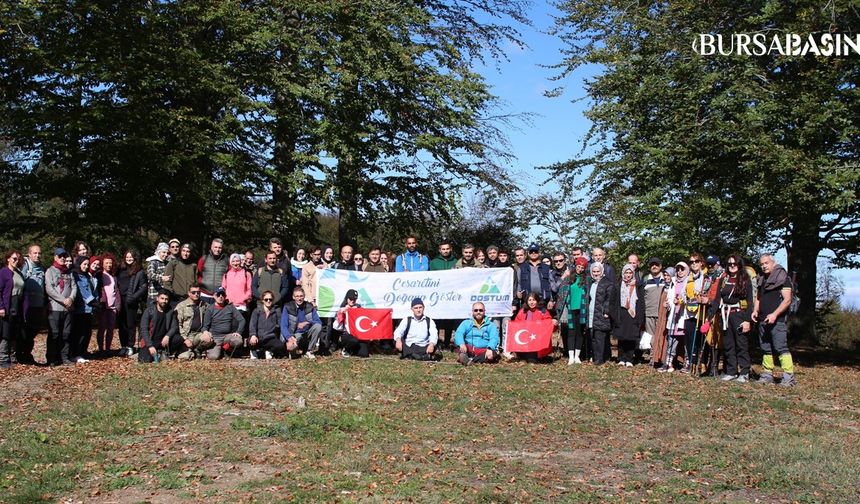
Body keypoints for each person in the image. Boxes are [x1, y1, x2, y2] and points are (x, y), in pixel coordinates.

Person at [752, 254, 796, 386]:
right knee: (766, 348)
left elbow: (787, 300)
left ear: (773, 262)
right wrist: (755, 310)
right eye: (762, 264)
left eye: (766, 263)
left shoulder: (783, 278)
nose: (764, 266)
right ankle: (767, 374)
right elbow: (758, 297)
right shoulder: (762, 279)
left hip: (778, 320)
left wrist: (775, 314)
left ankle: (789, 377)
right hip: (763, 319)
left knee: (780, 347)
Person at [709, 255, 753, 382]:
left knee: (741, 344)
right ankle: (731, 371)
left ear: (739, 265)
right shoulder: (724, 279)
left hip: (739, 314)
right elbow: (717, 299)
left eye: (734, 264)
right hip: (725, 315)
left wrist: (747, 320)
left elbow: (750, 301)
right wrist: (710, 316)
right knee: (728, 344)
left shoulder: (745, 280)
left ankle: (744, 372)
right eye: (729, 264)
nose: (732, 266)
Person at [45, 248, 76, 366]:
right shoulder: (50, 271)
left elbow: (74, 287)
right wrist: (63, 300)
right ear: (55, 258)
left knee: (66, 333)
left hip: (68, 308)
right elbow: (50, 289)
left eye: (64, 256)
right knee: (55, 333)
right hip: (55, 308)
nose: (62, 258)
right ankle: (52, 358)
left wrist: (71, 299)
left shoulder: (69, 272)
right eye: (60, 256)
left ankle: (64, 357)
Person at [116, 249, 147, 357]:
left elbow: (143, 287)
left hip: (131, 301)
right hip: (120, 300)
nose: (129, 259)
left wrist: (134, 297)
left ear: (135, 258)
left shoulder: (139, 271)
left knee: (130, 325)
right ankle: (123, 346)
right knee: (121, 325)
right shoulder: (120, 269)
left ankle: (130, 346)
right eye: (127, 257)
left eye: (131, 257)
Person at [512, 292, 558, 363]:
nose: (531, 302)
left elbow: (550, 328)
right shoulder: (522, 311)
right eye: (529, 300)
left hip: (538, 342)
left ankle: (539, 357)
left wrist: (553, 324)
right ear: (527, 301)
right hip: (525, 341)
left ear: (537, 301)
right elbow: (516, 325)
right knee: (525, 358)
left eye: (533, 300)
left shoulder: (543, 311)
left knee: (532, 360)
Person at [558, 256, 589, 364]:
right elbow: (561, 291)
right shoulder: (569, 278)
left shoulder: (586, 279)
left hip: (582, 309)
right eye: (578, 266)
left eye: (582, 268)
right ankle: (571, 356)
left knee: (580, 333)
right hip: (570, 308)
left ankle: (577, 356)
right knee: (571, 332)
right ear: (575, 266)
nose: (580, 269)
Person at [19, 244, 45, 365]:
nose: (37, 255)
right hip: (27, 306)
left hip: (38, 305)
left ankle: (27, 354)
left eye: (39, 253)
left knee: (34, 330)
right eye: (35, 253)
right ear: (29, 254)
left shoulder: (42, 268)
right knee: (25, 331)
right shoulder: (25, 265)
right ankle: (22, 355)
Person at [202, 286, 245, 360]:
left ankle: (225, 348)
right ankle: (213, 349)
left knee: (238, 341)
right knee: (214, 357)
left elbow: (242, 320)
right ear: (214, 296)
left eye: (223, 295)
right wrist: (205, 333)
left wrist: (238, 332)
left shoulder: (230, 307)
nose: (221, 297)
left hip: (227, 336)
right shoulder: (210, 309)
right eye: (218, 295)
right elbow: (205, 326)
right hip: (215, 337)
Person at [138, 289, 181, 363]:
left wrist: (167, 336)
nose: (164, 301)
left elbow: (174, 327)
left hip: (164, 340)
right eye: (162, 298)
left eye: (166, 299)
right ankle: (157, 352)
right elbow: (144, 330)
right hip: (151, 339)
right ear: (157, 298)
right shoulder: (149, 311)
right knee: (144, 360)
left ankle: (164, 352)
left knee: (178, 339)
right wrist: (150, 346)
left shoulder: (170, 311)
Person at [174, 282, 214, 360]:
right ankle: (189, 351)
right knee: (185, 357)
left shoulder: (203, 305)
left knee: (209, 339)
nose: (196, 294)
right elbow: (177, 325)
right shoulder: (181, 306)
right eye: (193, 292)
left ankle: (198, 349)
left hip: (198, 334)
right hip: (186, 335)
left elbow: (214, 308)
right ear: (189, 293)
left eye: (198, 292)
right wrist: (185, 339)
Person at [428, 240, 457, 348]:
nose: (445, 251)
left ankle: (447, 342)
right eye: (443, 249)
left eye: (447, 249)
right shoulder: (434, 262)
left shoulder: (456, 261)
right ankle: (436, 342)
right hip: (438, 295)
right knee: (437, 320)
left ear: (450, 249)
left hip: (451, 295)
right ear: (440, 250)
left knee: (449, 319)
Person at [281, 287, 323, 360]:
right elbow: (283, 325)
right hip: (294, 334)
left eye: (301, 296)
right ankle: (292, 351)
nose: (299, 298)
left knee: (318, 326)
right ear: (293, 297)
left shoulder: (310, 306)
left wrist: (307, 322)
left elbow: (318, 321)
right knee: (295, 343)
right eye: (297, 296)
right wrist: (289, 337)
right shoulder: (287, 307)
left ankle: (309, 351)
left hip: (307, 333)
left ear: (304, 296)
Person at [682, 252, 707, 373]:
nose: (694, 264)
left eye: (696, 261)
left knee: (699, 340)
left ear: (701, 263)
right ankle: (690, 364)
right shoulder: (688, 278)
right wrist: (680, 300)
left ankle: (700, 364)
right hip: (689, 313)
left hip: (700, 314)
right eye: (691, 262)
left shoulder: (706, 277)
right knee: (689, 339)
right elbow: (683, 293)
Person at [615, 264, 645, 367]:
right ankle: (621, 358)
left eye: (630, 273)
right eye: (626, 272)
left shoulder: (637, 285)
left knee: (631, 337)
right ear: (623, 273)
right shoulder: (618, 285)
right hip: (621, 313)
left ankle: (629, 359)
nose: (628, 275)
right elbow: (613, 301)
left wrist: (640, 317)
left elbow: (641, 302)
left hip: (633, 314)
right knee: (622, 337)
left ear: (633, 274)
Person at [0, 251, 25, 368]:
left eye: (18, 259)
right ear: (8, 259)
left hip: (17, 304)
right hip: (7, 304)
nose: (16, 261)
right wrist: (1, 307)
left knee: (15, 331)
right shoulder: (4, 272)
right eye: (14, 258)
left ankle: (13, 357)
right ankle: (3, 358)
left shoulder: (19, 273)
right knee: (6, 332)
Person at [587, 262, 616, 365]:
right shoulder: (591, 283)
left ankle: (600, 358)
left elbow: (609, 299)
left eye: (598, 271)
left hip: (601, 313)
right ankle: (596, 356)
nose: (596, 273)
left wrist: (607, 311)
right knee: (593, 337)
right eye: (594, 271)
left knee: (600, 337)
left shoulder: (607, 283)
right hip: (591, 312)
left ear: (602, 271)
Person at [96, 253, 121, 356]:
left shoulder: (113, 277)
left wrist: (118, 305)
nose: (109, 265)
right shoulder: (100, 275)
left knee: (111, 329)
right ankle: (101, 349)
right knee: (102, 328)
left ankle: (107, 349)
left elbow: (116, 291)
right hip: (103, 306)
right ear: (102, 264)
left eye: (110, 263)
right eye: (106, 263)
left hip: (112, 307)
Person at [248, 290, 284, 359]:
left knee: (280, 346)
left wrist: (276, 328)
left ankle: (268, 350)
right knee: (250, 342)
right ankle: (253, 351)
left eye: (270, 299)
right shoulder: (256, 311)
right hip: (258, 337)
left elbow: (280, 324)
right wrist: (253, 335)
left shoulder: (276, 312)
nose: (268, 301)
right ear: (262, 300)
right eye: (266, 299)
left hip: (270, 337)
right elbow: (252, 324)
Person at [650, 267, 675, 369]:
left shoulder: (674, 288)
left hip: (669, 316)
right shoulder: (664, 287)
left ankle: (667, 360)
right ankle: (658, 358)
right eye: (664, 275)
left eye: (668, 275)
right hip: (662, 316)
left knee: (668, 338)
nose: (666, 277)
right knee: (660, 335)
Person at [333, 289, 369, 358]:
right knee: (353, 340)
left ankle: (352, 350)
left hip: (358, 333)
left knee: (364, 353)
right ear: (347, 298)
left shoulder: (359, 307)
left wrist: (358, 311)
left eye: (354, 299)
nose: (352, 301)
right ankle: (346, 349)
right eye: (351, 299)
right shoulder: (342, 309)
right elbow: (336, 327)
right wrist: (342, 314)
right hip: (346, 334)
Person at [197, 238, 228, 303]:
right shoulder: (204, 259)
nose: (217, 249)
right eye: (215, 247)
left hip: (219, 295)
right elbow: (198, 273)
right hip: (204, 294)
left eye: (219, 247)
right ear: (211, 247)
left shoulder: (226, 261)